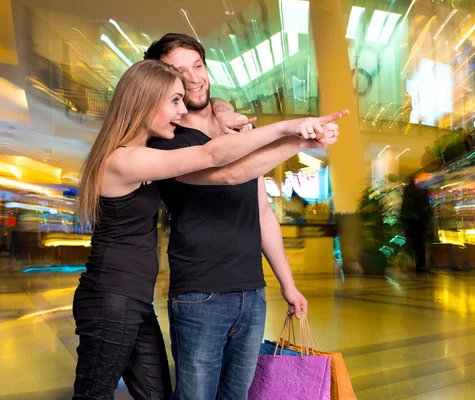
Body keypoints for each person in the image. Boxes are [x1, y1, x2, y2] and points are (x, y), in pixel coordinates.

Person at [72, 58, 345, 399]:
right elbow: (213, 156)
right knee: (93, 394)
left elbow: (227, 166)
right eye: (174, 100)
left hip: (135, 301)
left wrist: (223, 109)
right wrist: (287, 128)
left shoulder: (144, 156)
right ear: (144, 101)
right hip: (110, 298)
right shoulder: (124, 159)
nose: (181, 110)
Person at [144, 33, 345, 399]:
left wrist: (287, 283)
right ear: (163, 81)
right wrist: (296, 137)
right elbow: (226, 170)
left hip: (252, 293)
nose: (193, 77)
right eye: (178, 71)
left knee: (238, 396)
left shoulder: (236, 127)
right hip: (199, 293)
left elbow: (263, 212)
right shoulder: (166, 139)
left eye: (198, 65)